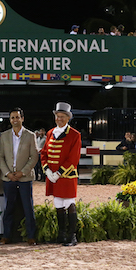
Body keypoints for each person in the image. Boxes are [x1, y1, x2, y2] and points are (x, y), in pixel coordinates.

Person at [41, 102, 81, 246]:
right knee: (58, 204)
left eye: (62, 116)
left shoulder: (75, 135)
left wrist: (59, 173)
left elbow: (73, 158)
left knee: (69, 203)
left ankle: (72, 236)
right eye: (58, 116)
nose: (59, 119)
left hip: (66, 176)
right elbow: (44, 153)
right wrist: (46, 170)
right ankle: (61, 235)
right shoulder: (50, 133)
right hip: (52, 175)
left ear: (68, 118)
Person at [0, 107, 38, 246]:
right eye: (12, 117)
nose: (15, 120)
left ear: (22, 118)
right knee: (8, 208)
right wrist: (8, 173)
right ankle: (6, 236)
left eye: (17, 117)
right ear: (10, 120)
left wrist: (22, 172)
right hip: (8, 178)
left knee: (28, 208)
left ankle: (31, 236)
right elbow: (0, 157)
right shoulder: (4, 136)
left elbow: (34, 157)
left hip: (25, 178)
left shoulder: (30, 135)